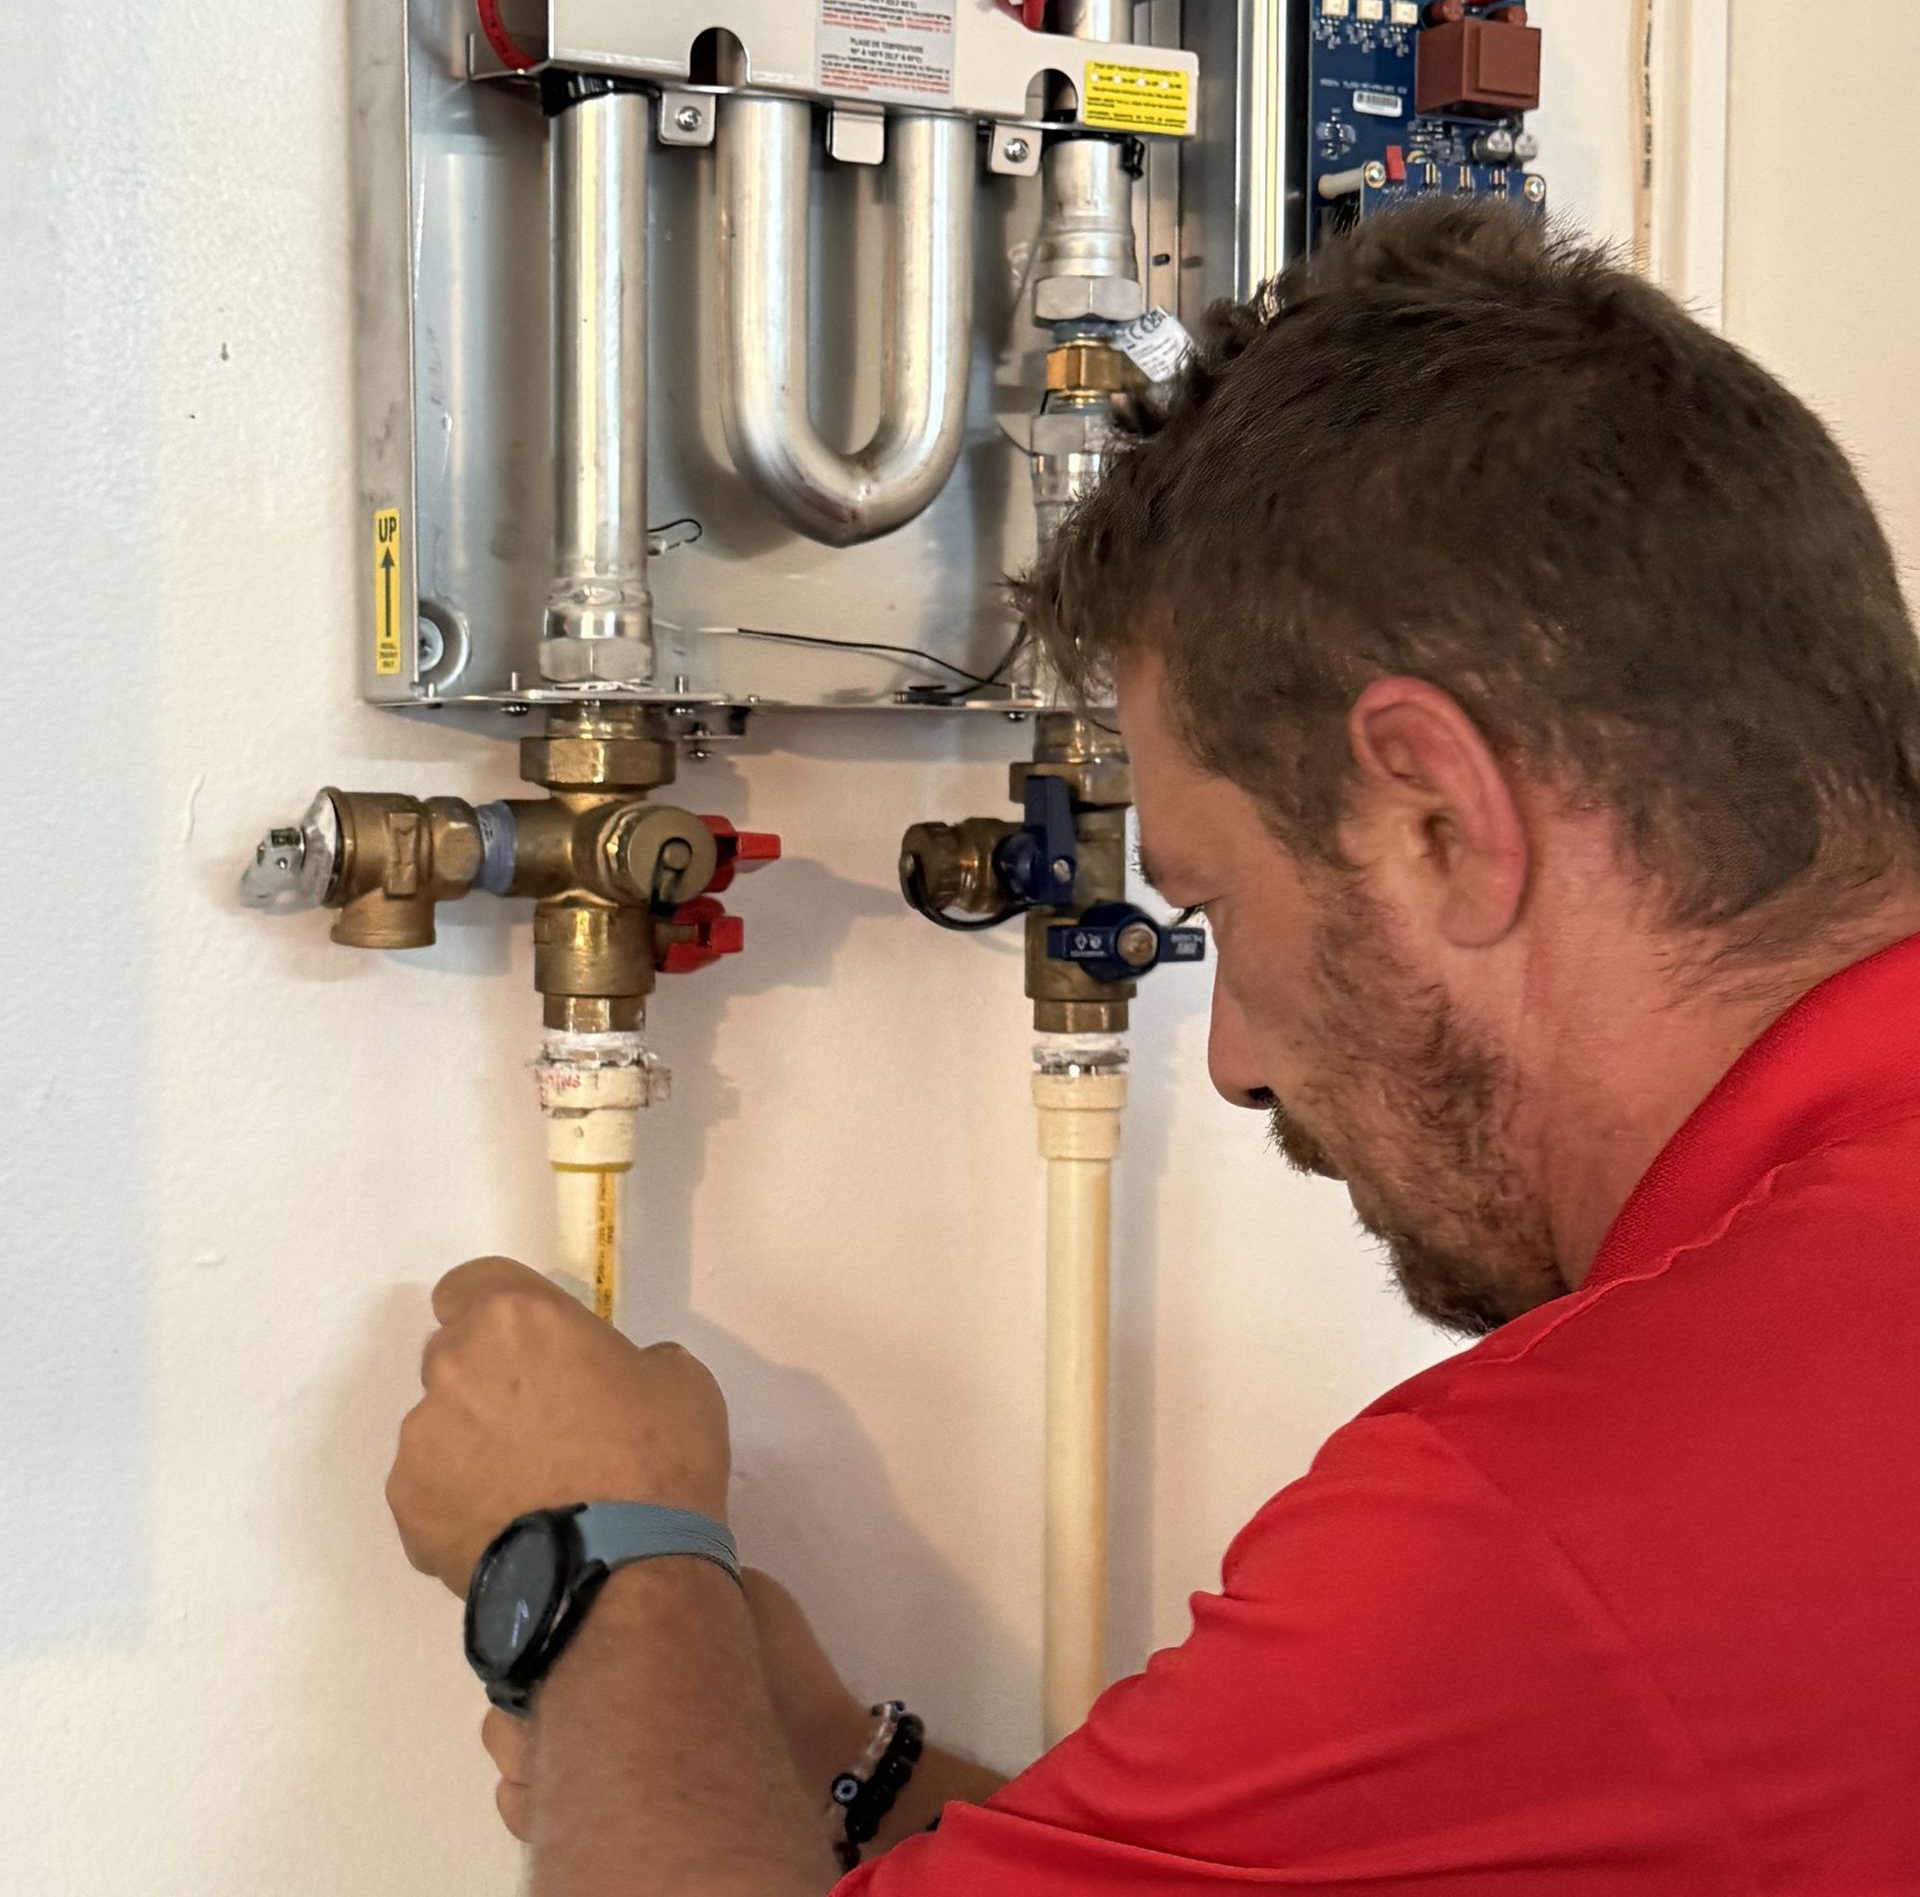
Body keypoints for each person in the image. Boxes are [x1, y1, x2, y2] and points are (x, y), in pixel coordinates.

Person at [384, 200, 1920, 1894]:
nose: (1240, 1064)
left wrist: (606, 1558)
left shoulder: (1573, 1518)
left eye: (1214, 910)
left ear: (1436, 827)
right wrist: (834, 1766)